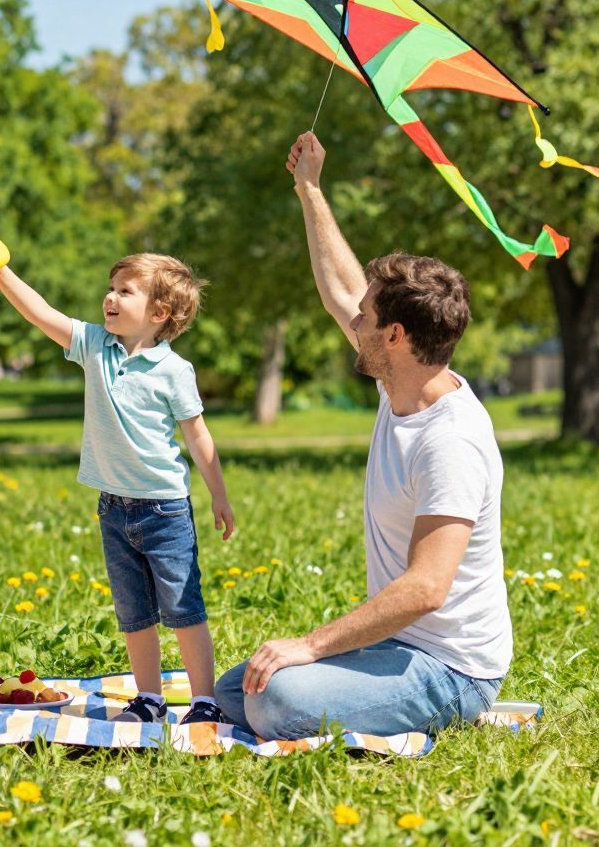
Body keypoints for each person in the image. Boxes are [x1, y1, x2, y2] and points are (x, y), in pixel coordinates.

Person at [212, 132, 510, 740]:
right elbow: (345, 290)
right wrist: (310, 189)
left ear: (395, 336)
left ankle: (463, 713)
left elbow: (427, 588)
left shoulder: (449, 440)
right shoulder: (401, 380)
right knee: (234, 690)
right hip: (398, 648)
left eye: (367, 320)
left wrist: (313, 644)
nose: (354, 320)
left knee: (276, 702)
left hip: (452, 671)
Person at [0, 253, 235, 724]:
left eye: (125, 290)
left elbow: (197, 435)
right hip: (113, 508)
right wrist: (0, 272)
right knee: (133, 612)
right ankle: (150, 699)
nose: (110, 297)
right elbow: (40, 312)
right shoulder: (95, 346)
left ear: (159, 313)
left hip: (165, 512)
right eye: (111, 287)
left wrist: (218, 494)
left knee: (183, 607)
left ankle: (204, 700)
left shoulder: (174, 370)